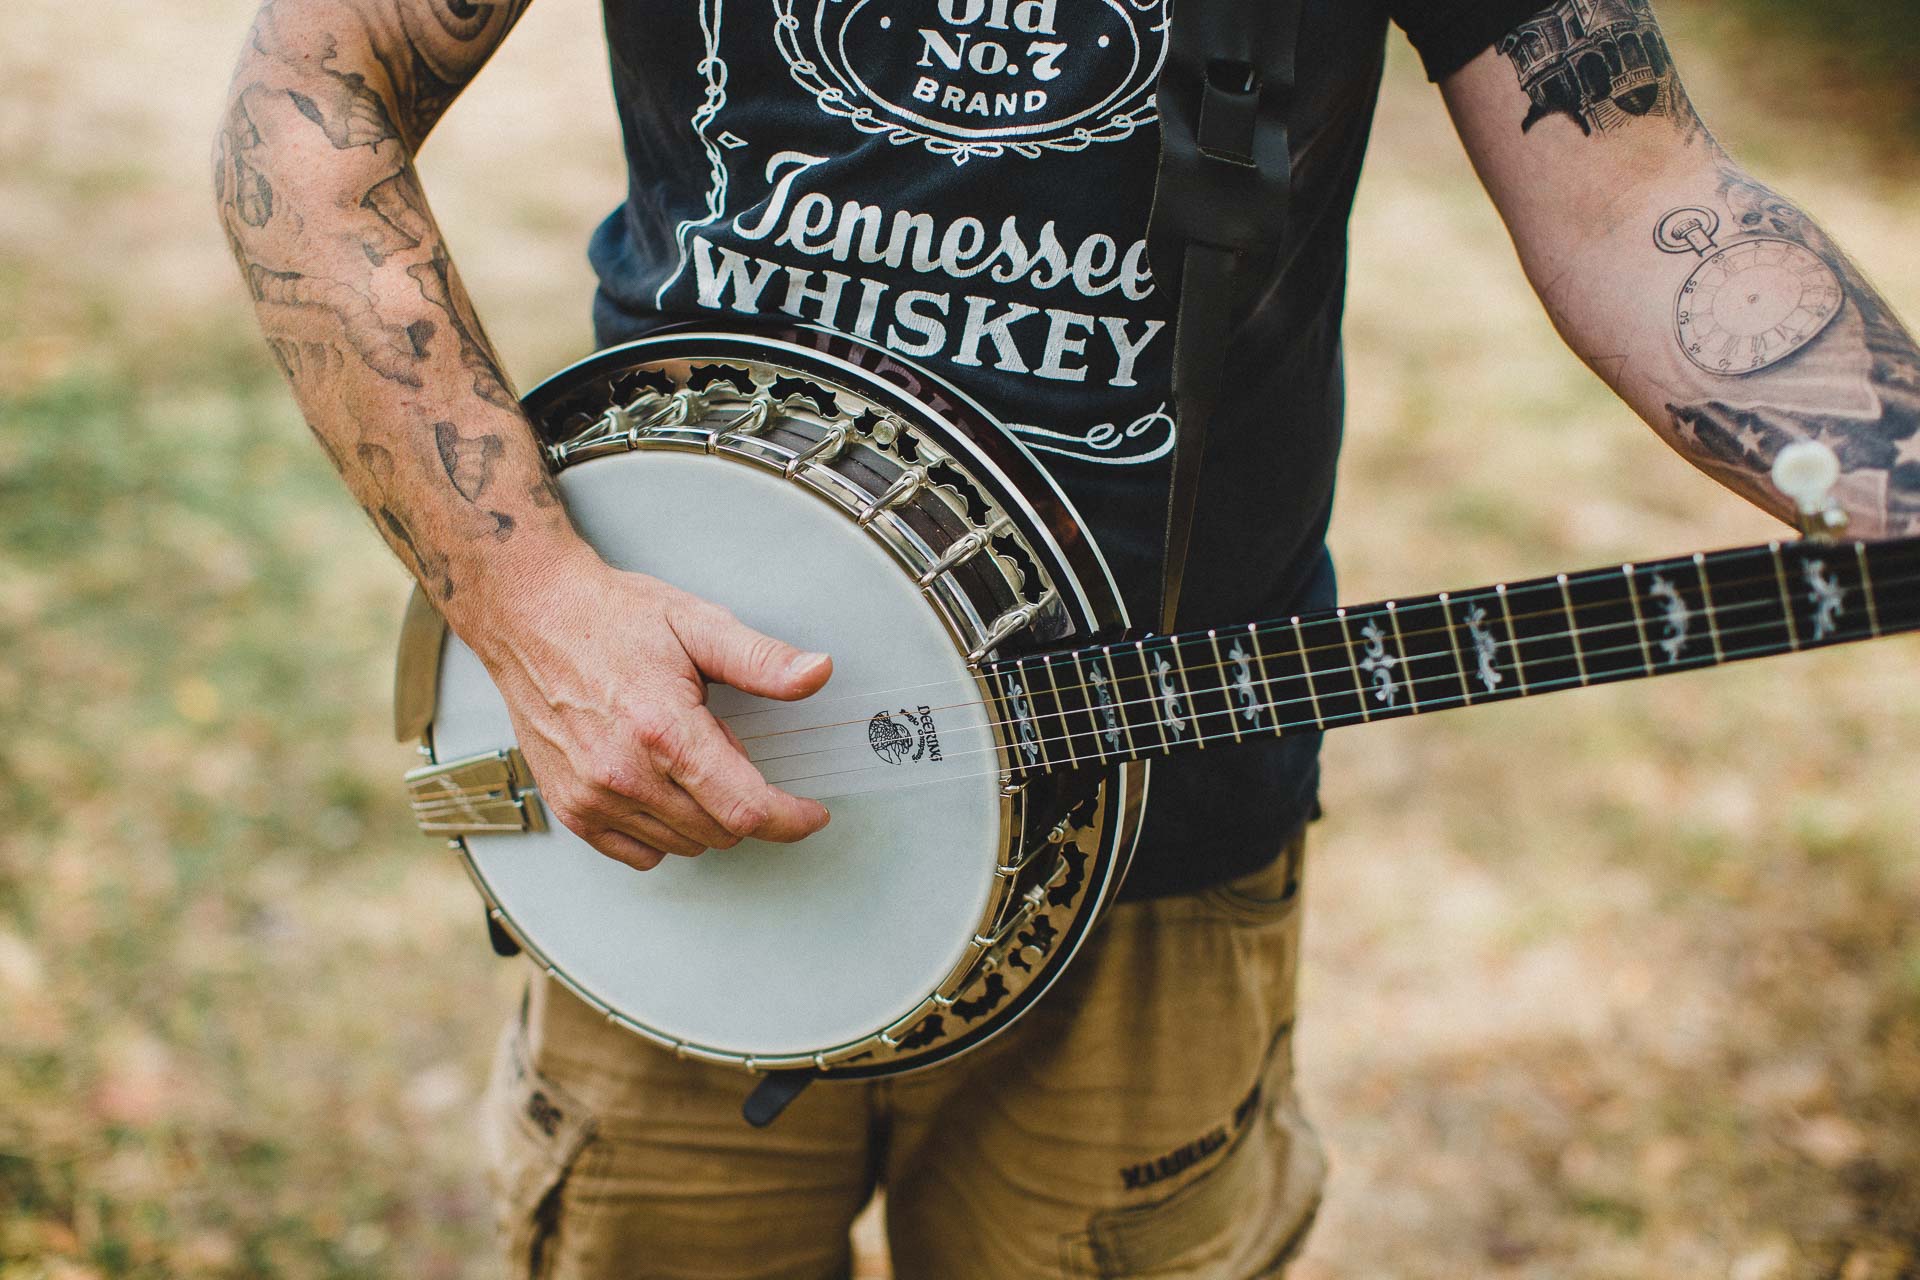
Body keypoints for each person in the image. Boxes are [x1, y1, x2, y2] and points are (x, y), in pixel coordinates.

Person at [214, 0, 1920, 1274]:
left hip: (1160, 814)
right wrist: (527, 608)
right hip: (678, 793)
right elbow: (311, 99)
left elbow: (1640, 200)